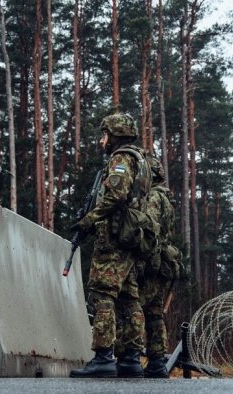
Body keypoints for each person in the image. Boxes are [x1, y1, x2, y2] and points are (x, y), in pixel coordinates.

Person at [69, 113, 150, 378]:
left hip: (114, 239)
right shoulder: (140, 160)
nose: (102, 141)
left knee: (102, 293)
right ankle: (130, 359)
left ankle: (103, 357)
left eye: (105, 135)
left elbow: (115, 195)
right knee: (129, 299)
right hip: (129, 238)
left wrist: (88, 220)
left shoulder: (121, 158)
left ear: (115, 135)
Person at [139, 157, 177, 378]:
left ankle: (131, 357)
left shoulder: (153, 197)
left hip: (152, 260)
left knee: (134, 308)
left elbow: (149, 228)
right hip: (162, 261)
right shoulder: (167, 199)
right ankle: (157, 361)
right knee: (154, 313)